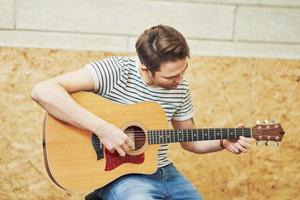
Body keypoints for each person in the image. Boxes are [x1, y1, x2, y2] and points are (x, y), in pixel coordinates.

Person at [31, 25, 252, 200]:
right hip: (120, 176)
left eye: (183, 71)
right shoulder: (116, 71)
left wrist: (221, 142)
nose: (180, 80)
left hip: (165, 171)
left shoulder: (181, 88)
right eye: (170, 77)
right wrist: (103, 129)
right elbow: (42, 91)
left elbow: (190, 141)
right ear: (145, 68)